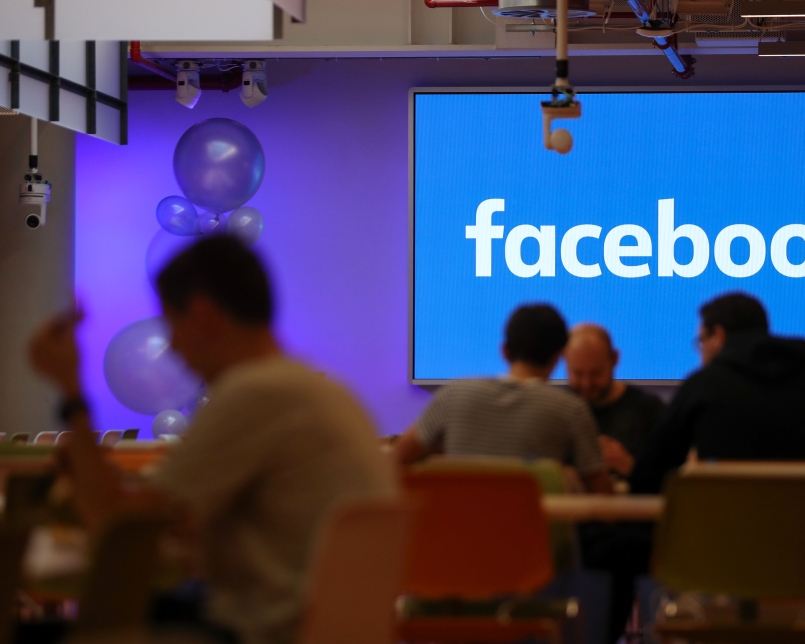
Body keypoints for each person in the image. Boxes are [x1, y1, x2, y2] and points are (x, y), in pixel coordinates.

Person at [28, 236, 395, 644]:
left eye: (171, 326)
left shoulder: (255, 392)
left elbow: (118, 530)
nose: (173, 349)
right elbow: (175, 522)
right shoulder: (318, 390)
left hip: (261, 631)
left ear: (201, 315)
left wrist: (70, 388)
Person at [630, 292, 805, 497]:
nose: (701, 353)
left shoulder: (701, 387)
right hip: (804, 555)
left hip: (717, 553)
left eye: (701, 342)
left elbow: (647, 479)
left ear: (719, 336)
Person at [394, 304, 612, 494]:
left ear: (505, 351)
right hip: (536, 540)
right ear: (559, 356)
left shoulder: (454, 394)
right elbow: (601, 496)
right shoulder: (571, 410)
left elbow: (397, 459)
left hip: (457, 537)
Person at [564, 323, 664, 477]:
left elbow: (670, 480)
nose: (587, 383)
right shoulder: (557, 410)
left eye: (595, 373)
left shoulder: (649, 410)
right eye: (577, 374)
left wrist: (629, 466)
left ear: (614, 359)